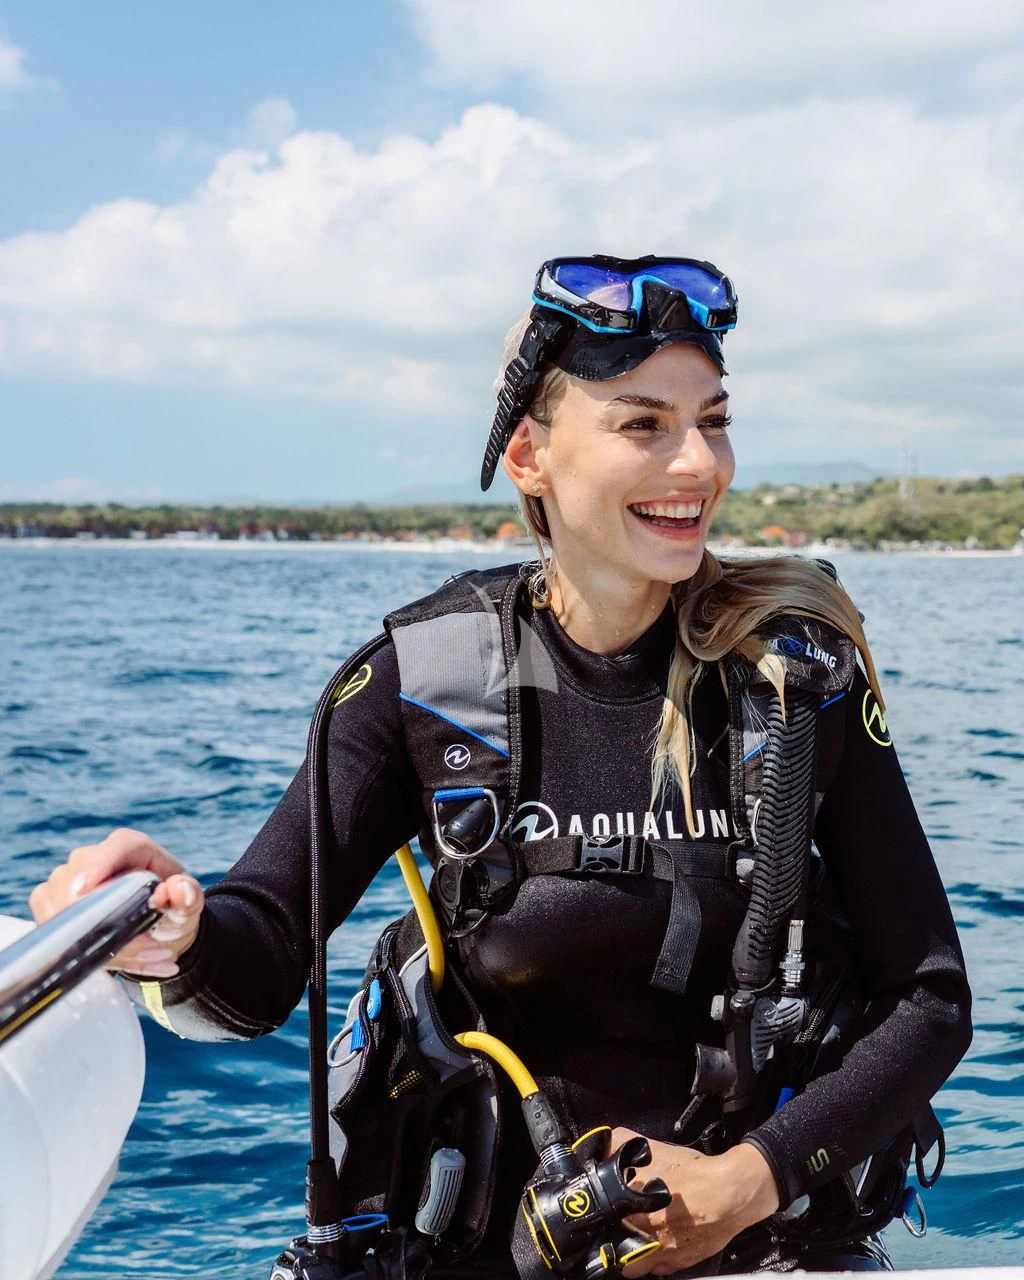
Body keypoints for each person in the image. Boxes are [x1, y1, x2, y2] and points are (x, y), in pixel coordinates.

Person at [29, 255, 972, 1276]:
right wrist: (174, 924)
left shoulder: (793, 677)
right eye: (642, 423)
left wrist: (744, 1182)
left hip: (765, 1242)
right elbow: (255, 965)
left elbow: (929, 1000)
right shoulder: (427, 679)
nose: (698, 463)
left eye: (714, 419)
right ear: (530, 454)